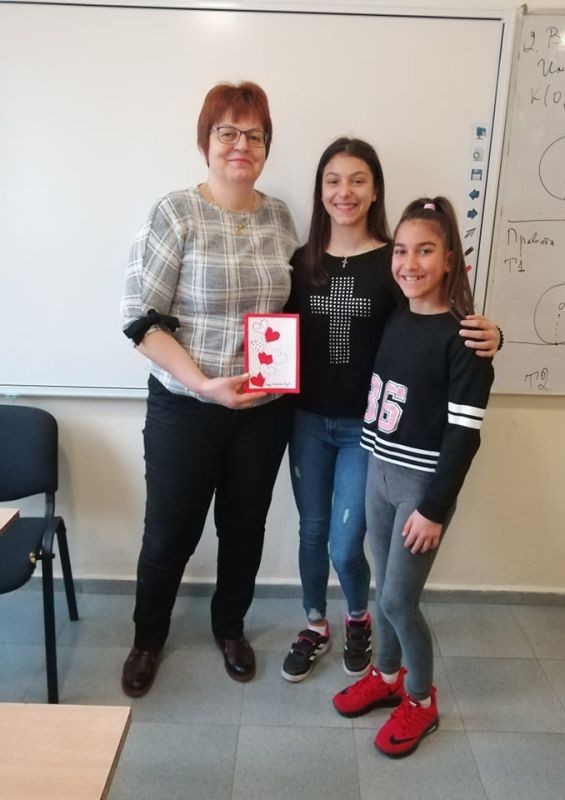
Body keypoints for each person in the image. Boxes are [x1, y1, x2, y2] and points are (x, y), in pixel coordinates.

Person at [281, 140, 500, 684]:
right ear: (320, 190)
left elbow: (436, 321)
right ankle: (315, 623)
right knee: (311, 534)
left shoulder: (394, 262)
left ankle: (359, 619)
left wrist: (495, 334)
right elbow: (274, 332)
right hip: (306, 422)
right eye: (333, 180)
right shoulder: (301, 261)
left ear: (376, 189)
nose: (345, 191)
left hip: (368, 432)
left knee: (345, 544)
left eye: (358, 179)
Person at [120, 81, 298, 697]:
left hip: (263, 411)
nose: (241, 145)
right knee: (170, 532)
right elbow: (140, 320)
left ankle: (230, 628)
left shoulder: (280, 217)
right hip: (186, 406)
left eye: (255, 135)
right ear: (207, 141)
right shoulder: (175, 213)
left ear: (267, 146)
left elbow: (291, 308)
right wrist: (203, 384)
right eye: (228, 132)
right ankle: (148, 639)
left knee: (245, 529)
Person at [332, 197, 494, 759]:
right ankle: (387, 675)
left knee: (401, 601)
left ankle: (421, 700)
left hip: (421, 489)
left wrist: (434, 509)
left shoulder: (466, 338)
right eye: (401, 251)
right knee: (384, 589)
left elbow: (465, 436)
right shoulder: (396, 318)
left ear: (450, 260)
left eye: (425, 250)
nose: (409, 263)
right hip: (378, 470)